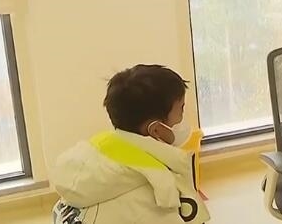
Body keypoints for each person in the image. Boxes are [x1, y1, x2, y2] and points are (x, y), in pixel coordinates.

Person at [50, 65, 210, 224]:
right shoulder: (156, 192)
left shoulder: (92, 166)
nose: (183, 117)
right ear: (156, 130)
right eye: (181, 109)